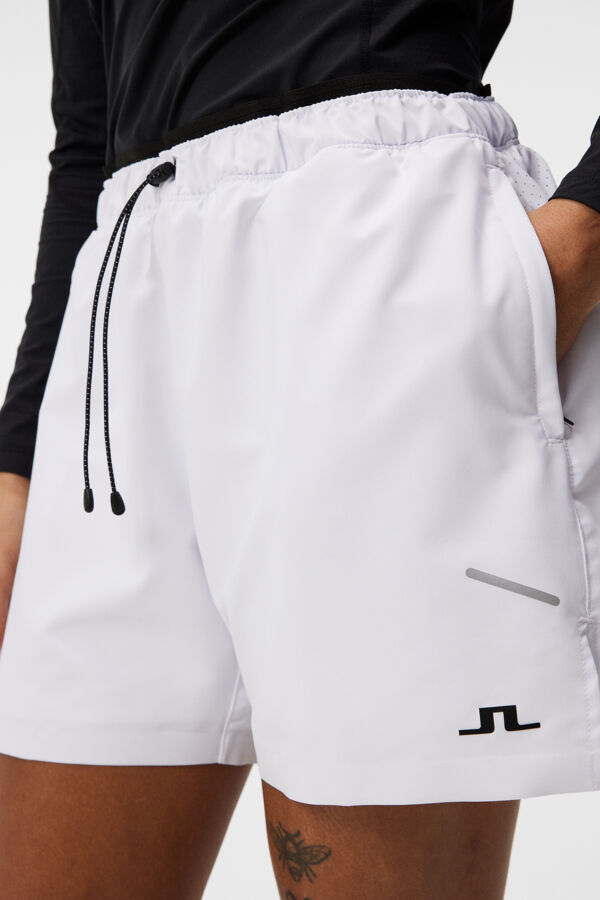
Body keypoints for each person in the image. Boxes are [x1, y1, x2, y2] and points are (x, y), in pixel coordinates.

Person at [0, 1, 599, 897]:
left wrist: (582, 232)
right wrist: (19, 465)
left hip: (368, 240)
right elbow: (87, 138)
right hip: (124, 300)